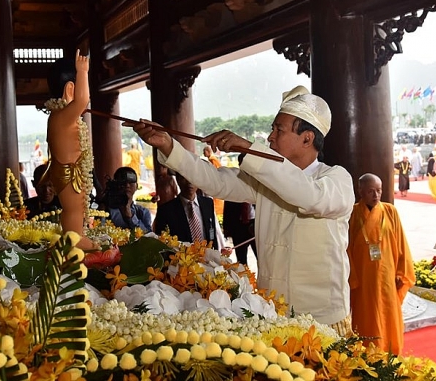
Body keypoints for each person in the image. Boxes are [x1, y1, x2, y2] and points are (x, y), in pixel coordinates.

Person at [131, 85, 355, 334]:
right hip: (273, 313)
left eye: (278, 129)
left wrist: (248, 148)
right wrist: (168, 146)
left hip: (322, 321)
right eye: (272, 129)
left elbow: (308, 196)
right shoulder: (265, 179)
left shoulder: (336, 179)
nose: (270, 137)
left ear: (307, 138)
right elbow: (215, 181)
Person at [347, 173, 415, 354]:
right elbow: (345, 248)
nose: (376, 195)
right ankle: (367, 356)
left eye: (379, 191)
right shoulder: (352, 214)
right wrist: (351, 278)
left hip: (388, 277)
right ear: (360, 191)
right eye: (371, 191)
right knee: (365, 317)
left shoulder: (390, 211)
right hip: (363, 280)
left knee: (389, 316)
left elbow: (402, 244)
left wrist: (401, 273)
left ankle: (391, 354)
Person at [45, 50, 95, 249]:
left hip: (69, 170)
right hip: (69, 171)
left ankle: (75, 235)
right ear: (70, 89)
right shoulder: (63, 116)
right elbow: (82, 100)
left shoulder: (60, 116)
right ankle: (75, 239)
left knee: (74, 209)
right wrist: (83, 71)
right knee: (73, 209)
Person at [153, 172, 228, 251]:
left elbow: (211, 233)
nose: (189, 182)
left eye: (193, 177)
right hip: (183, 260)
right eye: (185, 177)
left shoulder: (207, 203)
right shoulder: (166, 211)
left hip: (207, 259)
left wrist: (216, 253)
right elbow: (162, 245)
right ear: (178, 179)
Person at [106, 167, 152, 233]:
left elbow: (149, 235)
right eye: (123, 182)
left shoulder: (143, 212)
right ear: (115, 185)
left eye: (131, 182)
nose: (127, 185)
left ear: (137, 186)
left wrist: (131, 217)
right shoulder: (107, 211)